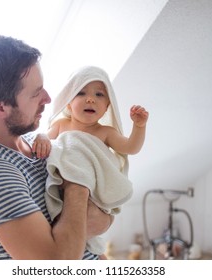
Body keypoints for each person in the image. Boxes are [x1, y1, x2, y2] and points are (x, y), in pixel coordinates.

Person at [0, 36, 112, 260]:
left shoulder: (37, 142)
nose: (48, 99)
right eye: (36, 94)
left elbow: (103, 221)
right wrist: (76, 182)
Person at [33, 66, 149, 256]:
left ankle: (92, 252)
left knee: (85, 236)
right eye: (81, 93)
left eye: (99, 94)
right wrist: (42, 138)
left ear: (107, 106)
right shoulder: (61, 125)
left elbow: (131, 148)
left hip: (93, 198)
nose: (90, 99)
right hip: (63, 194)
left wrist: (139, 126)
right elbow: (45, 140)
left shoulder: (105, 132)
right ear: (68, 103)